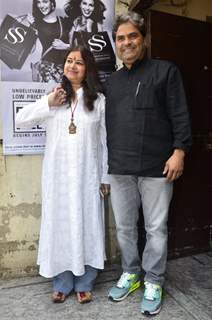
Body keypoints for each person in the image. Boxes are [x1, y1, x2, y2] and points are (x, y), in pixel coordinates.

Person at [105, 12, 192, 315]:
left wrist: (179, 151)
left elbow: (180, 114)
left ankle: (154, 280)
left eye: (132, 36)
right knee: (126, 229)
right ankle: (131, 274)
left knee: (156, 228)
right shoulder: (112, 83)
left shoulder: (165, 71)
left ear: (144, 39)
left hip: (157, 167)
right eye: (120, 38)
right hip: (120, 168)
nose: (126, 42)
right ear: (115, 43)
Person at [16, 45, 110, 303]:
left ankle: (85, 281)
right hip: (58, 178)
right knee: (60, 226)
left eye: (79, 62)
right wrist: (48, 103)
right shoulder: (55, 97)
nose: (72, 66)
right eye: (69, 61)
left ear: (87, 68)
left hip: (87, 178)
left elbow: (105, 142)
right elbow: (21, 118)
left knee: (88, 224)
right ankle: (62, 282)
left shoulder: (99, 101)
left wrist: (105, 176)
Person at [28, 0, 71, 82]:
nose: (41, 5)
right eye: (38, 2)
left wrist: (65, 46)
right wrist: (31, 29)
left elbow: (79, 45)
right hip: (46, 70)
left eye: (45, 1)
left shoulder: (64, 21)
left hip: (65, 68)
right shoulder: (37, 23)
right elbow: (31, 50)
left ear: (52, 3)